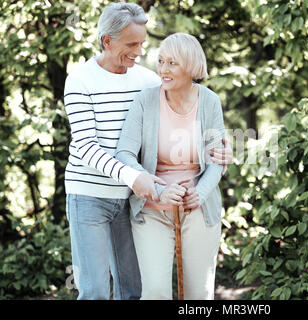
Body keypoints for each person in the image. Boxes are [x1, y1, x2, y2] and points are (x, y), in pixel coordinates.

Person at [63, 3, 231, 300]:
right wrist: (138, 178)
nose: (140, 52)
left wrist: (219, 156)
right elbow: (86, 146)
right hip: (91, 195)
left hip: (130, 198)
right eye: (132, 44)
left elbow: (184, 114)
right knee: (96, 292)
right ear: (107, 41)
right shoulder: (79, 80)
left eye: (142, 43)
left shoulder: (148, 81)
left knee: (134, 291)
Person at [115, 32, 226, 300]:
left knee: (198, 294)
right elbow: (124, 154)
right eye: (161, 61)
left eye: (172, 63)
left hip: (198, 207)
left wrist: (201, 192)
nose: (162, 70)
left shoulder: (209, 101)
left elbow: (218, 159)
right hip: (152, 208)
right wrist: (156, 189)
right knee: (155, 292)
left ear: (190, 67)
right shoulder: (145, 101)